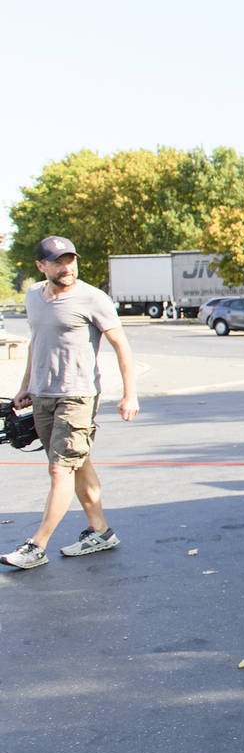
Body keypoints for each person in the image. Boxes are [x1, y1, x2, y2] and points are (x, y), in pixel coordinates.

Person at [4, 237, 140, 571]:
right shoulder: (34, 296)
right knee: (78, 462)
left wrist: (130, 393)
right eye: (57, 262)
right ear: (41, 266)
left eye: (70, 261)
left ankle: (37, 545)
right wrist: (25, 387)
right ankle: (101, 532)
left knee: (59, 468)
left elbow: (121, 346)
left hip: (78, 395)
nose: (67, 268)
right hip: (42, 394)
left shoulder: (93, 298)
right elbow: (37, 343)